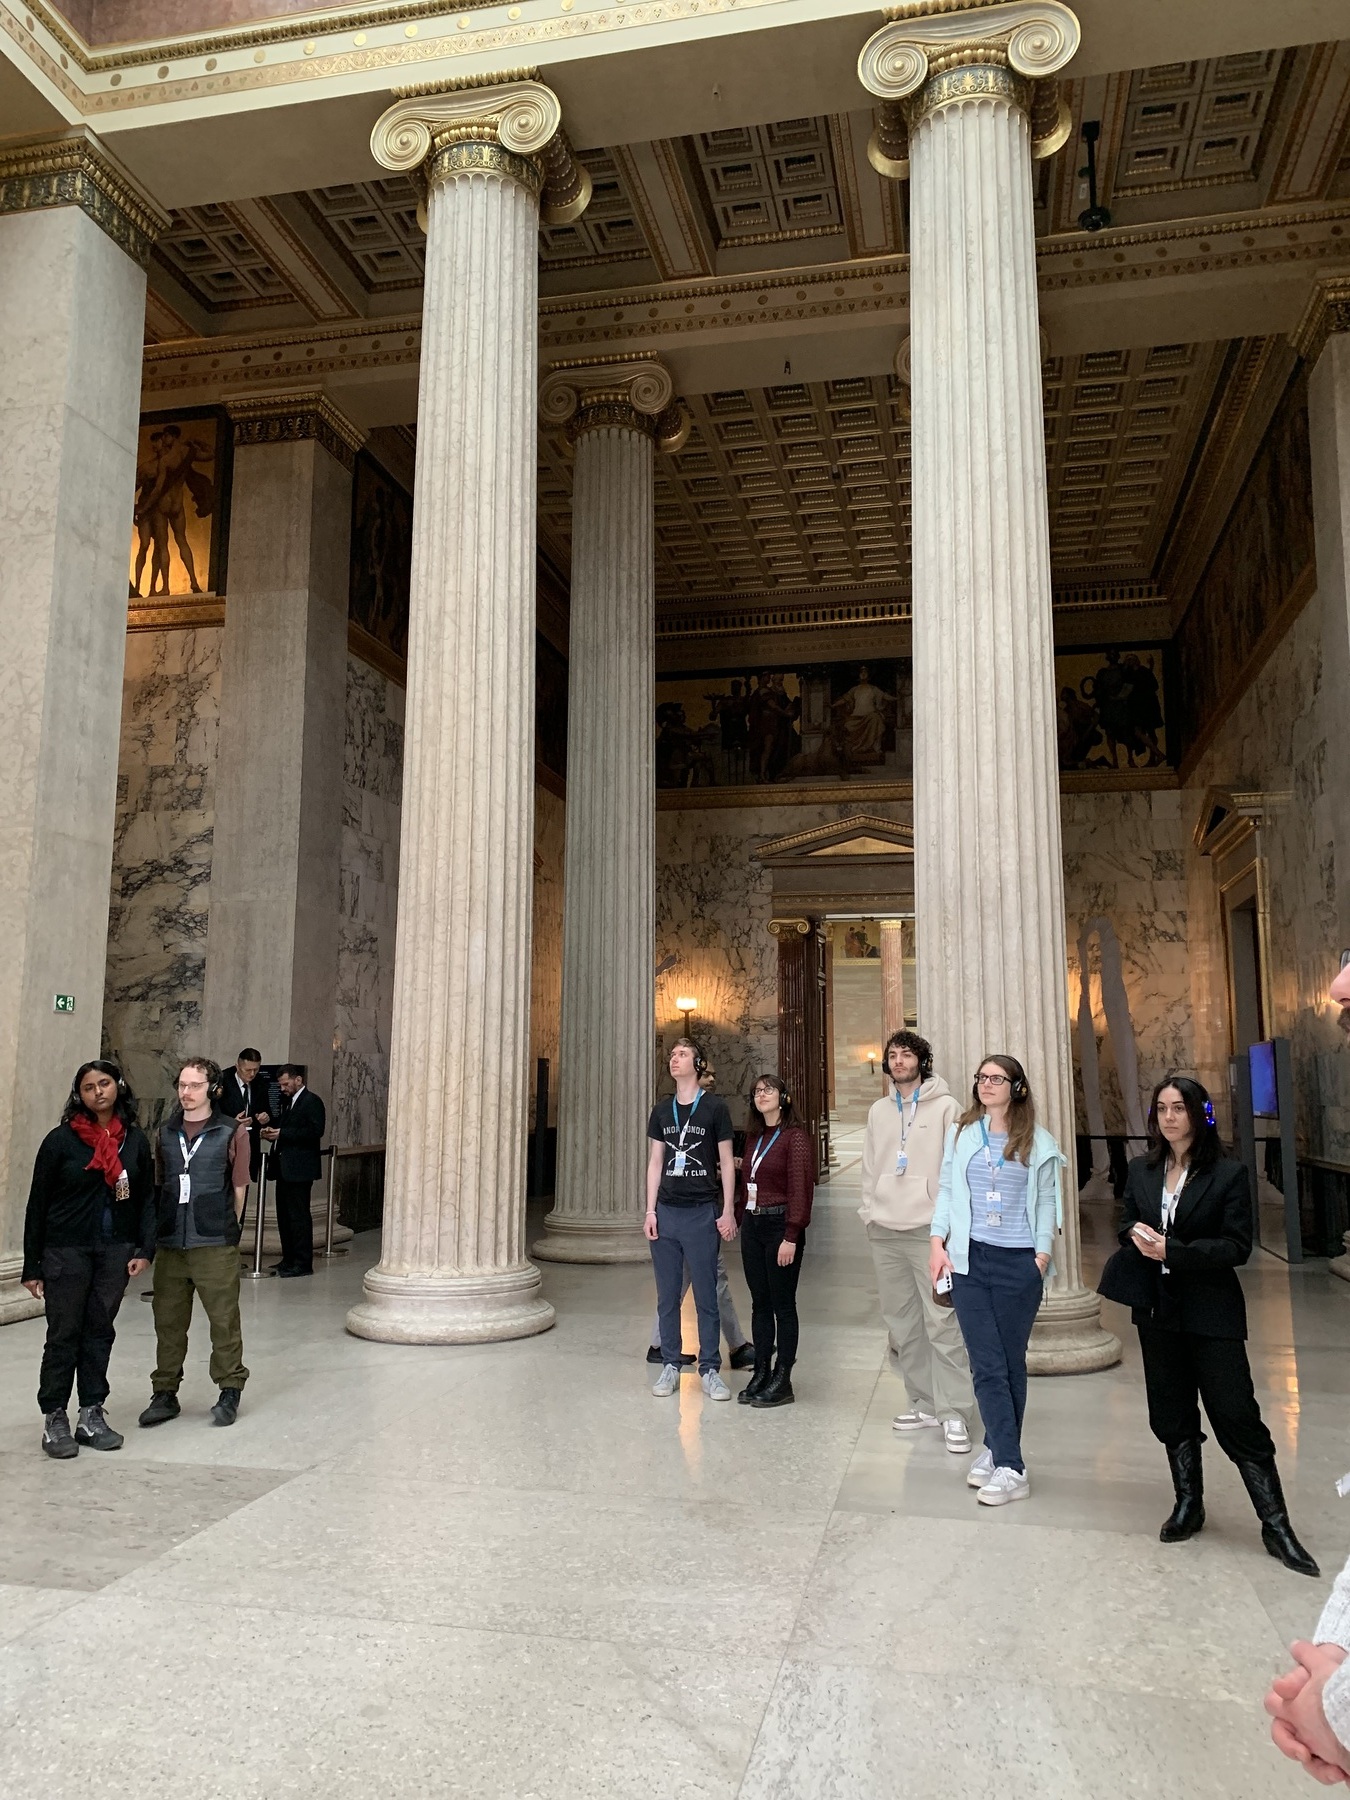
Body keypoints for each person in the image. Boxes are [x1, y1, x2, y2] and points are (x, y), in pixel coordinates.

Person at [1109, 1074, 1317, 1575]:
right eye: (1161, 1108)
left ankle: (1276, 1525)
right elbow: (1126, 1219)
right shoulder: (1142, 1169)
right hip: (1157, 1309)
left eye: (1179, 1108)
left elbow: (1236, 1246)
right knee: (1171, 1410)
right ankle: (1189, 1504)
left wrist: (1173, 1251)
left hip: (1210, 1309)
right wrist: (1133, 1233)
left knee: (1235, 1411)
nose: (1169, 1117)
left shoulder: (1227, 1173)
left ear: (1199, 1113)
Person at [929, 1054, 1064, 1507]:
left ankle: (1000, 1454)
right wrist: (937, 1241)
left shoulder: (1038, 1142)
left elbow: (1047, 1202)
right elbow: (948, 1189)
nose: (986, 1085)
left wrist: (1041, 1256)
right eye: (981, 1078)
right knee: (986, 1364)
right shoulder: (963, 1132)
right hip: (970, 1261)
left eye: (996, 1078)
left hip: (1018, 1263)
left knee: (1010, 1364)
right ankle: (1009, 1462)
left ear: (1016, 1088)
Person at [20, 1061, 155, 1459]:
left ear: (118, 1086)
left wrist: (144, 1248)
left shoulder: (133, 1140)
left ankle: (91, 1413)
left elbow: (146, 1197)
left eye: (105, 1083)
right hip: (66, 1251)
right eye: (89, 1087)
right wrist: (32, 1265)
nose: (98, 1092)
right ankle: (54, 1417)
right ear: (79, 1095)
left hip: (114, 1250)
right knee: (64, 1334)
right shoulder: (60, 1141)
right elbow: (37, 1204)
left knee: (99, 1331)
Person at [860, 1030, 972, 1455]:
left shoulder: (947, 1108)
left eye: (906, 1054)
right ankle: (923, 1403)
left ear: (922, 1061)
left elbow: (956, 1171)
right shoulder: (878, 1110)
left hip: (929, 1234)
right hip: (885, 1231)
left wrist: (946, 1231)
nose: (898, 1061)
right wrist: (869, 1212)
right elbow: (870, 1166)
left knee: (942, 1324)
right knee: (903, 1325)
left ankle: (955, 1411)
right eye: (892, 1055)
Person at [139, 1058, 250, 1430]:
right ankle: (164, 1391)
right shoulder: (166, 1132)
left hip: (214, 1241)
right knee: (168, 1322)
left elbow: (239, 1188)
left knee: (223, 1320)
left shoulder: (231, 1131)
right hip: (172, 1241)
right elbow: (160, 1184)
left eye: (195, 1086)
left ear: (213, 1090)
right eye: (182, 1085)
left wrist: (229, 1230)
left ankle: (230, 1387)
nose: (186, 1092)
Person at [645, 1038, 737, 1401]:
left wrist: (727, 1210)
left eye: (682, 1054)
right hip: (667, 1211)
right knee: (667, 1296)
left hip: (702, 1211)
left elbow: (726, 1161)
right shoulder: (661, 1110)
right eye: (672, 1054)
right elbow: (655, 1162)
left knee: (706, 1295)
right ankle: (670, 1363)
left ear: (698, 1064)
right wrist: (650, 1210)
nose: (674, 1059)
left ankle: (710, 1368)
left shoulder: (715, 1108)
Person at [735, 1073, 813, 1407]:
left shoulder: (795, 1137)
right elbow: (749, 1181)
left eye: (768, 1090)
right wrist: (738, 1216)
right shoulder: (754, 1137)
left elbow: (800, 1188)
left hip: (781, 1226)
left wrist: (792, 1234)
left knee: (783, 1304)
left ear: (784, 1097)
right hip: (753, 1226)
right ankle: (761, 1371)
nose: (761, 1095)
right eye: (756, 1091)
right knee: (759, 1303)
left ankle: (783, 1378)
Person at [260, 1064, 325, 1277]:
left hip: (300, 1169)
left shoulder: (312, 1101)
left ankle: (303, 1262)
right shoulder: (288, 1102)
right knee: (284, 1217)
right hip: (284, 1168)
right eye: (280, 1085)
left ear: (298, 1080)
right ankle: (288, 1259)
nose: (283, 1089)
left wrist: (282, 1133)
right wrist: (272, 1131)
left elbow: (315, 1130)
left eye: (286, 1084)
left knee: (298, 1217)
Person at [219, 1046, 271, 1183]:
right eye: (248, 1070)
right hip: (226, 1144)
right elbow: (213, 1113)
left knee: (244, 1185)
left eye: (256, 1070)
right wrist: (233, 1122)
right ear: (237, 1066)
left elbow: (267, 1111)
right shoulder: (222, 1080)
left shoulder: (260, 1083)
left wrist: (264, 1118)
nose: (252, 1074)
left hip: (249, 1144)